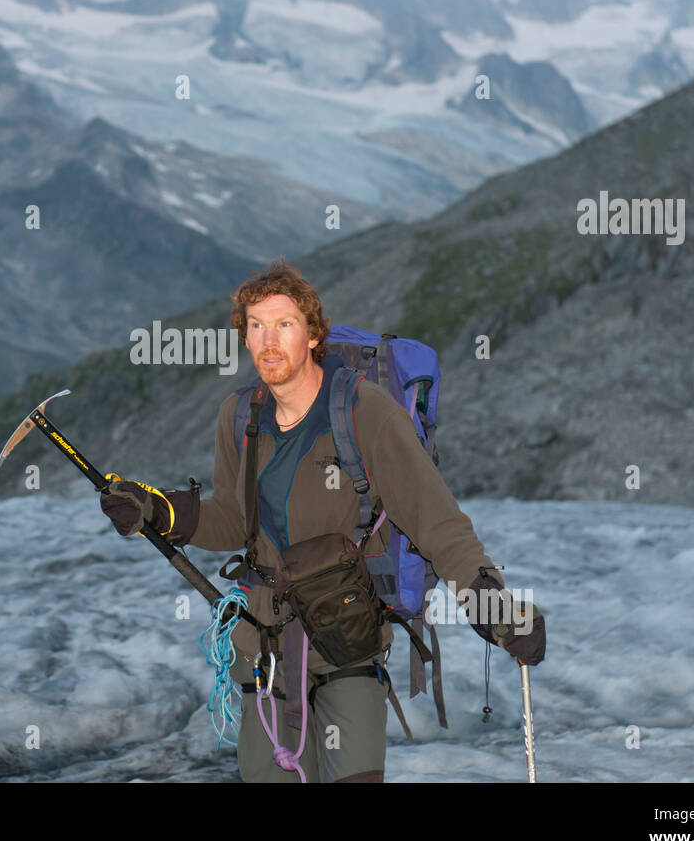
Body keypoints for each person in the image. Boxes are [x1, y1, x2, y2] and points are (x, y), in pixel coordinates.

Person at [101, 261, 544, 782]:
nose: (269, 340)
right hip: (264, 650)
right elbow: (232, 520)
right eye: (256, 326)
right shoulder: (240, 417)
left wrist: (491, 603)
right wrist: (157, 510)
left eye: (284, 324)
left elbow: (435, 523)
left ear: (313, 334)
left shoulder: (365, 413)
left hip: (348, 646)